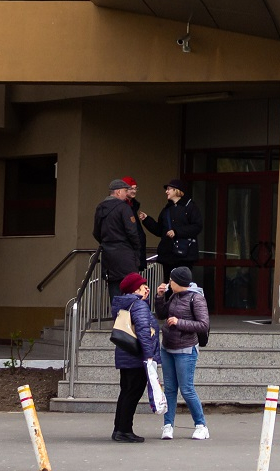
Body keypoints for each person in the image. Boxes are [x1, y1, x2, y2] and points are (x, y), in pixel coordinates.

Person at [153, 266, 211, 441]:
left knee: (186, 389)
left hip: (186, 349)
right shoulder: (174, 296)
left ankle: (201, 425)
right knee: (170, 389)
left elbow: (203, 325)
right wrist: (160, 297)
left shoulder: (196, 298)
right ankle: (168, 425)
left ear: (178, 282)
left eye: (171, 280)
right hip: (167, 347)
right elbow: (162, 314)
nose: (169, 283)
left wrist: (179, 322)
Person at [111, 272, 161, 443]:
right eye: (142, 285)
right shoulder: (138, 305)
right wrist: (148, 356)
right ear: (135, 289)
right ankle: (124, 430)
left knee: (126, 392)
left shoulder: (125, 303)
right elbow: (143, 332)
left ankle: (119, 429)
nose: (146, 288)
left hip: (125, 355)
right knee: (132, 393)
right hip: (136, 357)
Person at [94, 178, 146, 302]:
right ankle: (128, 320)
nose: (127, 193)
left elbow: (96, 232)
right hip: (125, 255)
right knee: (131, 290)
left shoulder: (100, 208)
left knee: (114, 290)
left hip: (108, 256)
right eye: (125, 190)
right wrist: (136, 249)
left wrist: (106, 243)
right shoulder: (124, 208)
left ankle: (117, 319)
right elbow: (132, 232)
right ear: (118, 192)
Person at [143, 180, 203, 280]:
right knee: (168, 286)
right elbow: (160, 231)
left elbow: (197, 226)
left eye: (169, 189)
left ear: (177, 191)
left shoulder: (190, 207)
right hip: (168, 255)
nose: (166, 192)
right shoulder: (167, 209)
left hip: (184, 255)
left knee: (182, 285)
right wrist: (147, 220)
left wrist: (176, 232)